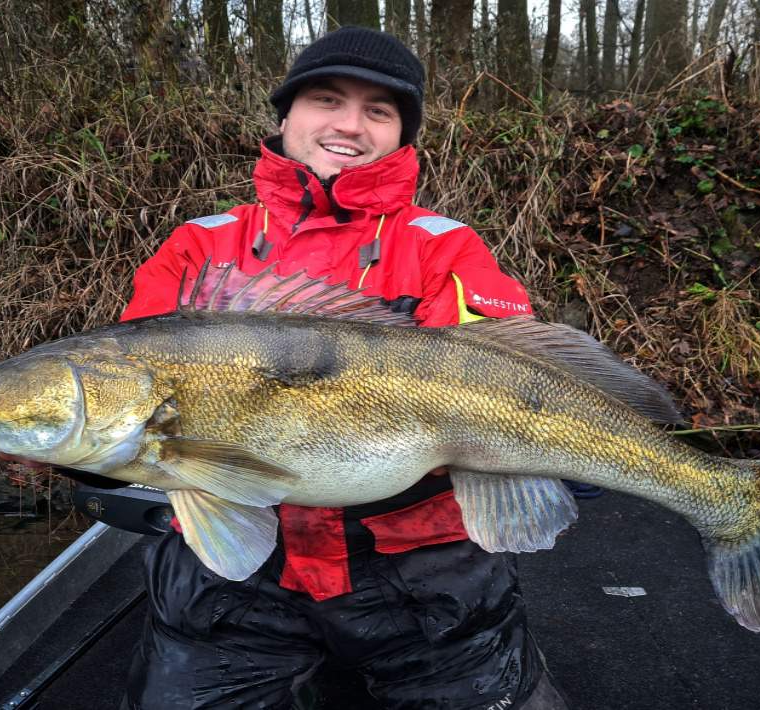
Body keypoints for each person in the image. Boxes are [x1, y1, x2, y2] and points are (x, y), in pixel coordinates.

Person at [119, 27, 569, 710]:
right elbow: (125, 383)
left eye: (379, 110)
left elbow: (505, 375)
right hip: (231, 584)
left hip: (424, 578)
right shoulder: (200, 245)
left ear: (401, 135)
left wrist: (547, 452)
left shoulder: (444, 248)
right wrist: (82, 450)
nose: (349, 125)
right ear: (287, 114)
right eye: (327, 98)